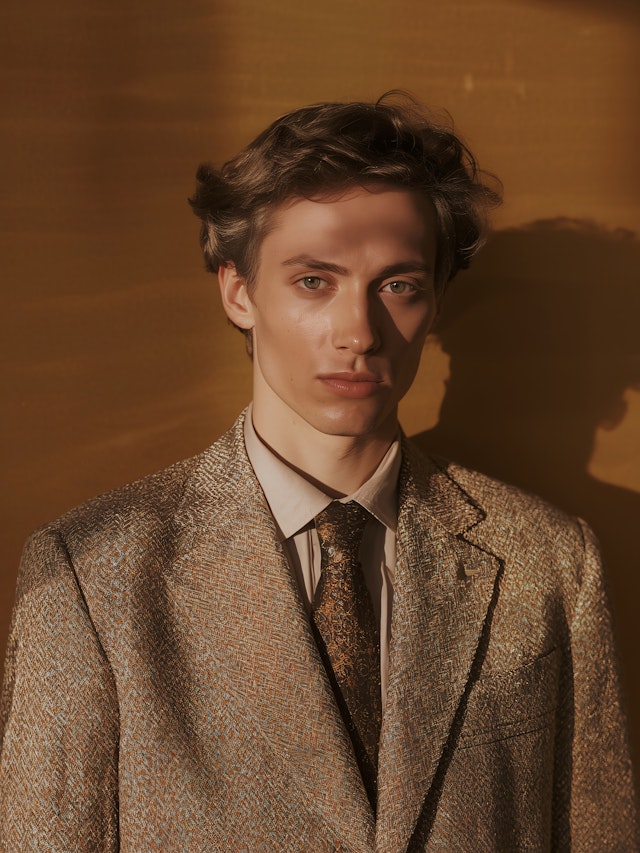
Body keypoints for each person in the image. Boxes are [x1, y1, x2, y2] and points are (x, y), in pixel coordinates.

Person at [0, 95, 636, 852]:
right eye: (314, 281)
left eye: (397, 285)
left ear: (436, 302)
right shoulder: (91, 574)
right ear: (239, 291)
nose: (359, 333)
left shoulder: (551, 562)